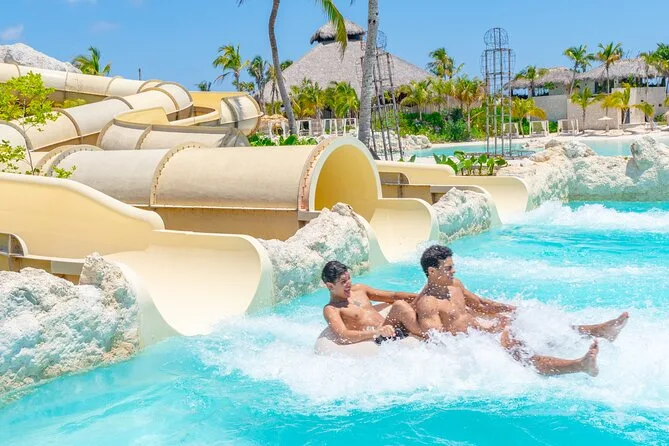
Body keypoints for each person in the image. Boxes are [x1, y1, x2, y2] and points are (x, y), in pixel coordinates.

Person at [414, 245, 629, 376]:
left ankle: (598, 331)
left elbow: (480, 304)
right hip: (477, 343)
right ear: (432, 271)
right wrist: (488, 333)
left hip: (487, 332)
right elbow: (439, 340)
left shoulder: (455, 285)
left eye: (453, 266)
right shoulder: (428, 303)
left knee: (540, 326)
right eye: (448, 268)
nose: (454, 270)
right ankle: (579, 366)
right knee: (524, 354)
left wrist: (515, 310)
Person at [321, 260, 422, 345]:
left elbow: (393, 296)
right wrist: (377, 332)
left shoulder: (359, 289)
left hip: (389, 326)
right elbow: (343, 336)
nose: (349, 284)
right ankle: (426, 336)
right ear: (330, 286)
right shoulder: (332, 309)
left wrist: (421, 297)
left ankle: (427, 329)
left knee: (415, 302)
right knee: (399, 306)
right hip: (379, 337)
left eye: (349, 278)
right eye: (343, 282)